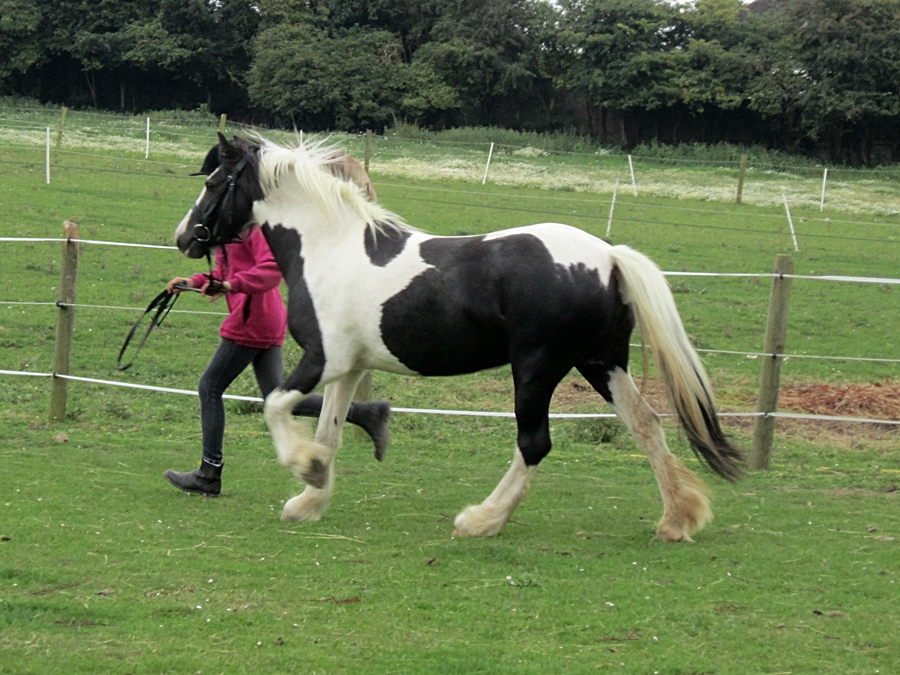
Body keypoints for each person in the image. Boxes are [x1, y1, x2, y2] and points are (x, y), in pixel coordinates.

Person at [163, 224, 390, 497]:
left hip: (251, 322)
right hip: (266, 320)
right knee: (278, 396)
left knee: (209, 387)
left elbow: (271, 269)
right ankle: (365, 413)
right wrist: (192, 282)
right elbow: (227, 273)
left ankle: (208, 473)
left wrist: (230, 285)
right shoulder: (230, 233)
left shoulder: (252, 231)